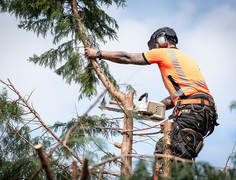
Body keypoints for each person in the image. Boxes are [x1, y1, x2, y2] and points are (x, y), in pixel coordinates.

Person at [85, 27, 218, 161]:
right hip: (204, 113)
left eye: (154, 47)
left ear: (162, 40)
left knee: (165, 151)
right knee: (180, 154)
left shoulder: (164, 52)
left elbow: (126, 57)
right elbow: (182, 96)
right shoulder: (186, 59)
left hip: (192, 111)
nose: (153, 51)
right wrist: (156, 107)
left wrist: (98, 53)